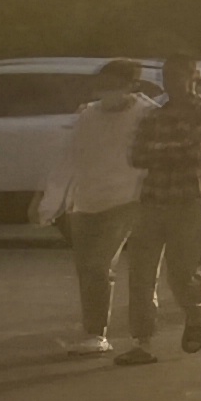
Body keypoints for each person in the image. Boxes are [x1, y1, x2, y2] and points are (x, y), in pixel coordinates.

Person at [114, 52, 201, 364]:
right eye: (167, 76)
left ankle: (196, 315)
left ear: (193, 76)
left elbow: (194, 148)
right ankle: (142, 341)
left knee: (182, 272)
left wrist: (161, 149)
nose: (172, 82)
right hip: (152, 200)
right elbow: (137, 156)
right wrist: (169, 149)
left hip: (188, 200)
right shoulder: (154, 116)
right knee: (141, 273)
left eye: (178, 75)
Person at [45, 59, 146, 355]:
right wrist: (49, 201)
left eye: (115, 85)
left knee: (99, 266)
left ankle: (97, 333)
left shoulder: (147, 114)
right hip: (86, 201)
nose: (108, 91)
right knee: (86, 269)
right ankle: (92, 331)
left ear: (132, 86)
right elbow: (69, 158)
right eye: (104, 85)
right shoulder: (89, 115)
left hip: (125, 200)